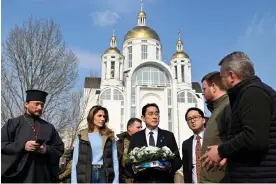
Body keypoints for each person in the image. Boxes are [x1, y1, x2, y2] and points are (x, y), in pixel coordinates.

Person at [202, 51, 276, 182]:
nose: (221, 81)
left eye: (222, 76)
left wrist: (221, 150)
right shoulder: (245, 94)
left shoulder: (253, 93)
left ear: (231, 75)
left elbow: (254, 138)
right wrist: (231, 153)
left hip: (259, 177)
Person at [1, 89, 64, 183]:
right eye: (37, 104)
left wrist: (45, 149)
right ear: (26, 104)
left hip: (43, 176)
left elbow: (59, 148)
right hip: (17, 177)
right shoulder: (13, 123)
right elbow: (2, 144)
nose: (39, 107)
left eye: (42, 105)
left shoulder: (49, 127)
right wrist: (23, 145)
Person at [127, 103, 181, 183]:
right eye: (150, 114)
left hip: (164, 180)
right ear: (143, 118)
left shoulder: (168, 135)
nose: (154, 117)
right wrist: (135, 168)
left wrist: (168, 167)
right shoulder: (136, 137)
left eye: (157, 113)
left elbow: (177, 160)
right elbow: (128, 162)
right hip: (142, 180)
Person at [71, 105, 119, 183]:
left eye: (104, 116)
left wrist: (115, 181)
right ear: (92, 117)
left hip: (104, 174)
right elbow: (75, 161)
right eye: (99, 116)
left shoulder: (109, 136)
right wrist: (74, 182)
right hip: (87, 173)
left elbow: (115, 160)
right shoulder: (82, 136)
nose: (102, 119)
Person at [200, 71, 231, 183]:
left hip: (219, 178)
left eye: (204, 89)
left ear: (213, 87)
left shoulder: (227, 106)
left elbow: (238, 137)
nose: (203, 93)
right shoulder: (216, 108)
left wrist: (224, 153)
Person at [182, 107, 205, 183]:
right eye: (189, 119)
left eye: (195, 117)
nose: (192, 121)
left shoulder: (213, 137)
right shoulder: (186, 144)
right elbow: (186, 170)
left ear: (203, 120)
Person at [116, 118, 142, 183]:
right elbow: (116, 165)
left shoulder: (141, 143)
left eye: (141, 127)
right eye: (138, 127)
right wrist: (123, 180)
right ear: (130, 128)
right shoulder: (120, 143)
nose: (141, 129)